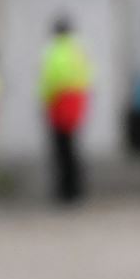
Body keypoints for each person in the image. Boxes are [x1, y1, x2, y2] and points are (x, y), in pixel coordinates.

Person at [40, 16, 92, 204]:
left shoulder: (55, 51)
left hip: (59, 104)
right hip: (76, 104)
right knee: (72, 150)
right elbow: (87, 79)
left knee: (62, 152)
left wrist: (45, 102)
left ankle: (66, 191)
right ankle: (76, 191)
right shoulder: (78, 50)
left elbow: (49, 81)